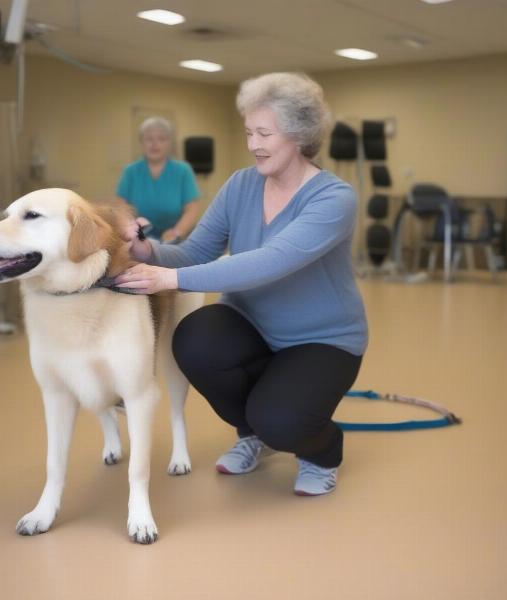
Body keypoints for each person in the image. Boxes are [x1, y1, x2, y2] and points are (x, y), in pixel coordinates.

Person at [115, 73, 368, 496]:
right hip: (251, 323)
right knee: (194, 341)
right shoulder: (240, 185)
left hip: (322, 339)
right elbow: (195, 252)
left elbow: (270, 262)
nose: (253, 143)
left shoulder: (333, 198)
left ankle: (322, 449)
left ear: (300, 134)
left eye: (264, 133)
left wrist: (169, 279)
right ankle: (252, 432)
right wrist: (149, 253)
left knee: (283, 421)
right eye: (249, 132)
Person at [116, 116, 201, 241]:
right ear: (141, 142)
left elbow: (192, 209)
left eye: (162, 139)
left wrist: (177, 232)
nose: (155, 144)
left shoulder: (183, 171)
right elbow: (120, 208)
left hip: (175, 241)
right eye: (149, 138)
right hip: (138, 238)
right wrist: (131, 232)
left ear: (170, 143)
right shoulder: (130, 171)